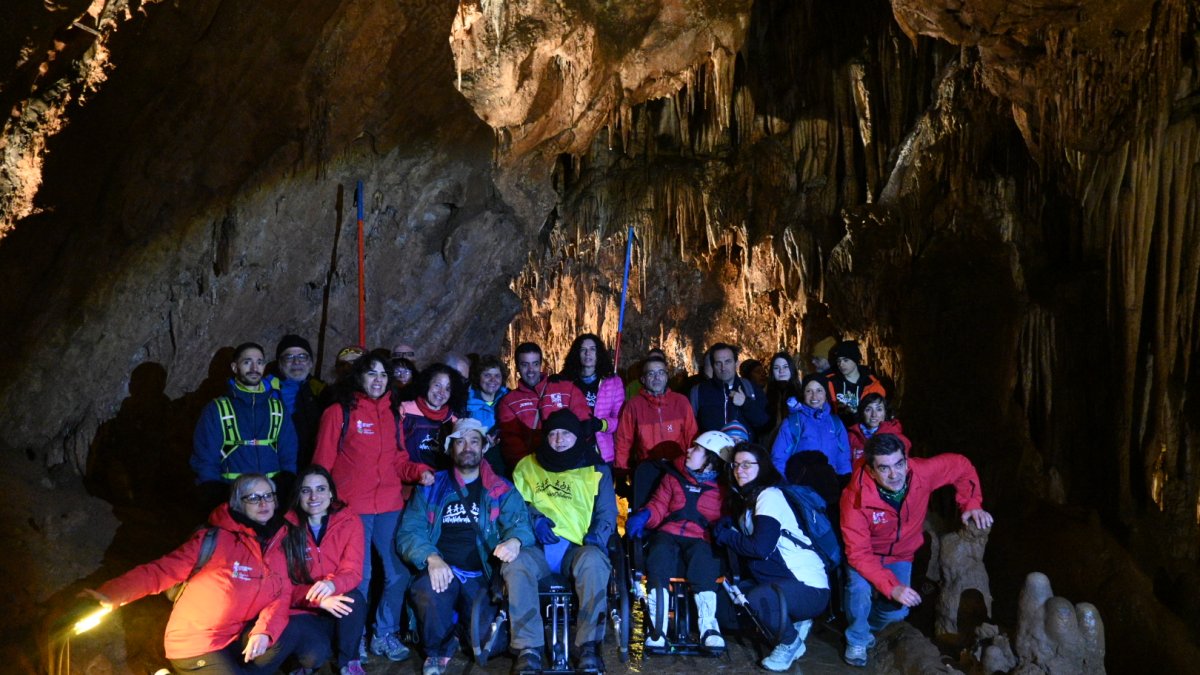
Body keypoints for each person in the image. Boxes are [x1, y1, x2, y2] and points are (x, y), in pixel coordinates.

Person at [86, 474, 294, 674]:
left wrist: (264, 632)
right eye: (254, 498)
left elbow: (282, 595)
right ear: (238, 503)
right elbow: (161, 571)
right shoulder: (215, 540)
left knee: (291, 634)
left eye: (268, 496)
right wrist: (112, 593)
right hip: (198, 642)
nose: (263, 503)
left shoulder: (277, 545)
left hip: (234, 637)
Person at [312, 353, 435, 663]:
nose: (379, 380)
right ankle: (357, 636)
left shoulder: (393, 414)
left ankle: (385, 632)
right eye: (371, 374)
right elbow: (322, 464)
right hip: (352, 508)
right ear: (358, 378)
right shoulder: (338, 413)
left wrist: (418, 472)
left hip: (390, 504)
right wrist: (319, 506)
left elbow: (398, 460)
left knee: (398, 572)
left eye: (384, 374)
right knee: (360, 576)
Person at [396, 418, 536, 675]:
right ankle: (437, 649)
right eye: (460, 441)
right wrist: (431, 557)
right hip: (442, 570)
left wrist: (515, 541)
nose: (467, 447)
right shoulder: (431, 487)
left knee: (492, 646)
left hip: (480, 574)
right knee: (429, 591)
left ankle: (461, 629)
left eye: (474, 441)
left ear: (484, 448)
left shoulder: (500, 488)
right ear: (451, 448)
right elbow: (409, 531)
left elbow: (520, 523)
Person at [840, 433, 993, 667]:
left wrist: (971, 503)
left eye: (899, 464)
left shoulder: (921, 472)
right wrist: (892, 587)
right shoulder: (855, 497)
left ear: (906, 459)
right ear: (871, 470)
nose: (894, 474)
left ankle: (868, 626)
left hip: (901, 554)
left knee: (897, 612)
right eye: (884, 468)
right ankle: (857, 638)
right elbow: (859, 553)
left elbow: (960, 466)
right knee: (859, 589)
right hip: (867, 553)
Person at [510, 409, 616, 672]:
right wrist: (534, 519)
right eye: (553, 433)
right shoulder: (527, 466)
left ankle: (588, 646)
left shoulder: (596, 468)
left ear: (577, 436)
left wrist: (597, 537)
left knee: (594, 562)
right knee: (516, 563)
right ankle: (528, 649)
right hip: (536, 546)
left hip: (577, 547)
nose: (558, 439)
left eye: (565, 434)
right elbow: (515, 506)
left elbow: (607, 512)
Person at [712, 443, 830, 672]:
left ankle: (790, 643)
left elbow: (760, 549)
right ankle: (794, 620)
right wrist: (732, 529)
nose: (740, 470)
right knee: (725, 608)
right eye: (736, 465)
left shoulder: (769, 495)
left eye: (747, 464)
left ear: (762, 466)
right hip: (781, 581)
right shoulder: (749, 500)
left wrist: (726, 536)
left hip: (809, 587)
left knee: (759, 600)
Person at [625, 431, 734, 649]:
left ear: (711, 461)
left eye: (697, 449)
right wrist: (646, 515)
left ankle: (709, 627)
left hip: (701, 537)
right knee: (660, 554)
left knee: (705, 559)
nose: (689, 450)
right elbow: (659, 505)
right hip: (669, 532)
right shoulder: (673, 477)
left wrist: (726, 523)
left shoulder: (723, 490)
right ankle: (658, 628)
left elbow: (726, 516)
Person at [280, 466, 367, 675]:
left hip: (335, 597)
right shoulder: (285, 527)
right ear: (298, 495)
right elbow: (283, 586)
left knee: (354, 600)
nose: (313, 497)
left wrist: (331, 584)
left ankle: (349, 661)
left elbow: (352, 571)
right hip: (303, 607)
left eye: (320, 489)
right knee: (313, 657)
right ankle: (304, 658)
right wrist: (317, 599)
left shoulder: (349, 520)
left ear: (331, 493)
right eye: (305, 490)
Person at [192, 342, 298, 509]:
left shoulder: (277, 408)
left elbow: (289, 453)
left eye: (259, 362)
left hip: (271, 500)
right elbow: (205, 458)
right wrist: (214, 494)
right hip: (233, 499)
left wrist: (285, 485)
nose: (254, 368)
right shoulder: (217, 409)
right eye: (247, 362)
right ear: (235, 367)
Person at [497, 342, 594, 469]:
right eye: (525, 365)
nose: (531, 370)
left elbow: (584, 423)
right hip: (533, 469)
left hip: (569, 465)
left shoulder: (565, 389)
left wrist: (574, 459)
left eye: (535, 364)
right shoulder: (509, 402)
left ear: (541, 364)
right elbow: (511, 441)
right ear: (517, 367)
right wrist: (528, 469)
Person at [613, 353, 698, 474]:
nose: (657, 377)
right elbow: (624, 441)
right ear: (643, 379)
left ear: (667, 376)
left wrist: (694, 466)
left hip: (678, 468)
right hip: (647, 468)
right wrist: (621, 470)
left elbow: (691, 435)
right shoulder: (634, 405)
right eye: (651, 374)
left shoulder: (681, 402)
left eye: (661, 373)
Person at [559, 333, 624, 464]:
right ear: (577, 353)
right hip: (572, 449)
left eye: (592, 349)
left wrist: (601, 424)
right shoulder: (566, 381)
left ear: (598, 353)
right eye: (583, 349)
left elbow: (620, 420)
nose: (588, 353)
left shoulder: (613, 383)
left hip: (602, 451)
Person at [771, 374, 851, 477]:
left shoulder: (835, 422)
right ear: (803, 394)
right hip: (801, 488)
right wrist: (788, 487)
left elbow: (843, 459)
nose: (814, 396)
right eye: (809, 391)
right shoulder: (793, 422)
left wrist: (844, 482)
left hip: (830, 485)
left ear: (826, 393)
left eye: (819, 390)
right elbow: (778, 458)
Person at [689, 342, 769, 437]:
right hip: (712, 450)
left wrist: (745, 404)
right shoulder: (699, 392)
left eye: (728, 361)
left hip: (743, 450)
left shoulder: (750, 388)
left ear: (736, 363)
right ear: (713, 366)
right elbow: (690, 429)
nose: (723, 368)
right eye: (718, 363)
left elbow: (765, 425)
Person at [274, 334, 326, 470]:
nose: (296, 362)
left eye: (302, 357)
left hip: (314, 467)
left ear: (310, 363)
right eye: (289, 357)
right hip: (280, 468)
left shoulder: (323, 392)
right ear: (280, 363)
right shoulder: (267, 392)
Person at [398, 363, 464, 469]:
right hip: (409, 478)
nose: (441, 392)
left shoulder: (454, 420)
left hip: (440, 481)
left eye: (447, 389)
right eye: (437, 385)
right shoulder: (405, 410)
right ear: (427, 383)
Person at [464, 354, 510, 474]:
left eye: (497, 376)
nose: (492, 380)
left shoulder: (509, 399)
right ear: (479, 377)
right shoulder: (465, 401)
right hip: (474, 460)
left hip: (503, 458)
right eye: (487, 375)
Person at [825, 340, 886, 424]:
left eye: (845, 360)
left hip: (863, 431)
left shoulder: (872, 384)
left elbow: (880, 414)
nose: (841, 364)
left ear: (855, 360)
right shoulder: (830, 382)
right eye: (839, 361)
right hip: (838, 430)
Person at [847, 393, 911, 471]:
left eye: (879, 409)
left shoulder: (896, 437)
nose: (874, 414)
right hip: (858, 481)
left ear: (885, 412)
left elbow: (903, 467)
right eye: (868, 409)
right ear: (862, 412)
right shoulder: (852, 436)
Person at [765, 351, 803, 428]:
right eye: (776, 368)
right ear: (772, 372)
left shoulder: (802, 394)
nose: (781, 371)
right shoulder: (765, 395)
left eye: (785, 367)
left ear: (791, 368)